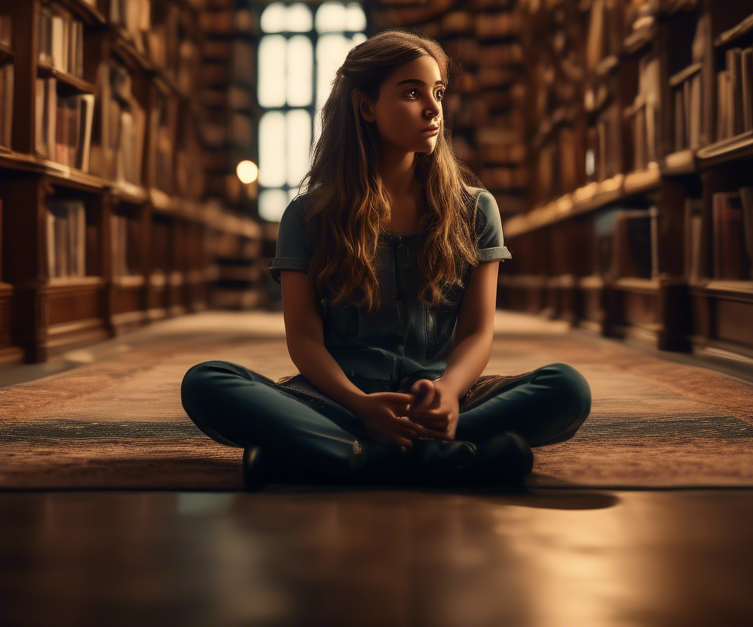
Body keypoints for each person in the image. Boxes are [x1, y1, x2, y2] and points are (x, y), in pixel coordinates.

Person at [181, 30, 591, 490]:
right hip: (338, 399)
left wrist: (450, 395)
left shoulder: (476, 209)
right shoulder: (308, 216)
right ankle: (444, 459)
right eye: (413, 93)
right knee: (206, 381)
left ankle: (333, 456)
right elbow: (304, 341)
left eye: (438, 92)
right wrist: (361, 405)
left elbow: (477, 332)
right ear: (366, 107)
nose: (433, 108)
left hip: (441, 399)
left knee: (567, 388)